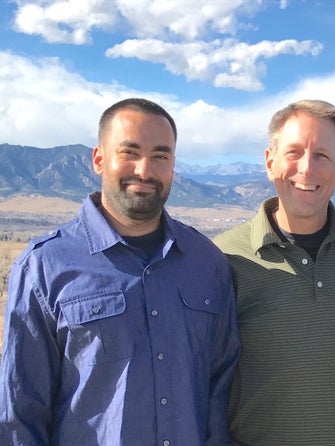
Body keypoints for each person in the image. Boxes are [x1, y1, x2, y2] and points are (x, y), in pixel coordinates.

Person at [0, 98, 240, 445]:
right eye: (130, 152)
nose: (145, 170)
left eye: (160, 155)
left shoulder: (207, 263)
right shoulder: (43, 268)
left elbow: (221, 394)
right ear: (99, 159)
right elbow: (20, 413)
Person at [214, 99, 335, 446]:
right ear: (270, 162)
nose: (306, 169)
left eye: (322, 156)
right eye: (294, 153)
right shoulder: (224, 256)